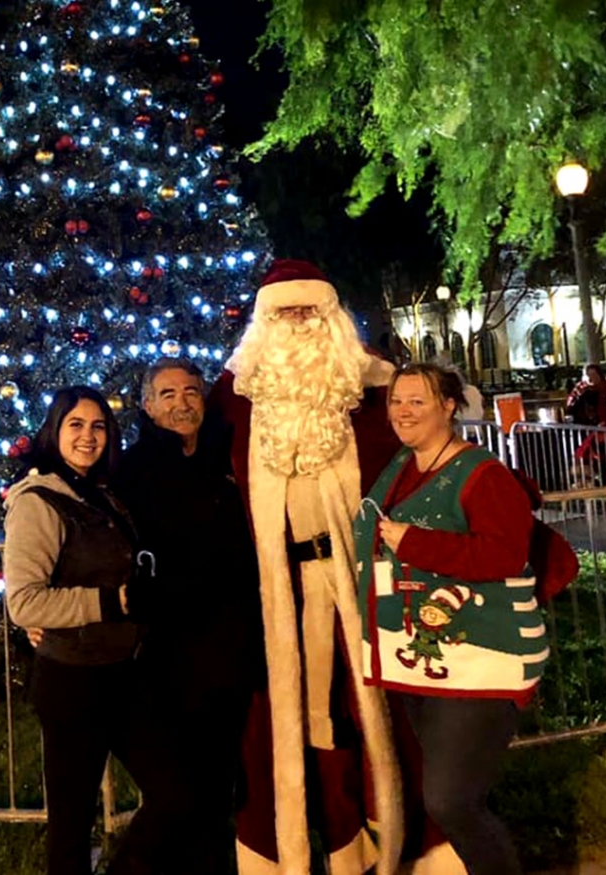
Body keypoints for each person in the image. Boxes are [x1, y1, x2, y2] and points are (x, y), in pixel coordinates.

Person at [211, 259, 459, 875]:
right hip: (278, 591)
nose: (297, 322)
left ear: (331, 314)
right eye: (284, 312)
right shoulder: (234, 394)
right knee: (288, 722)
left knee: (381, 712)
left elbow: (433, 457)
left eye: (307, 309)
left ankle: (410, 844)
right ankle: (306, 847)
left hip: (367, 583)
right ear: (264, 321)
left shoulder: (372, 385)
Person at [354, 363, 549, 875]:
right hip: (425, 658)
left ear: (449, 406)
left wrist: (412, 542)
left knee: (451, 800)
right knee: (457, 794)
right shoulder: (401, 465)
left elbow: (506, 555)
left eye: (418, 401)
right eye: (397, 401)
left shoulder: (483, 474)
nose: (403, 411)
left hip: (481, 659)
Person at [3, 386, 185, 875]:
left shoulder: (100, 494)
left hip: (122, 674)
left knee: (174, 792)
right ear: (54, 431)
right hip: (72, 682)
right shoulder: (38, 502)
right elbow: (24, 601)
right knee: (72, 820)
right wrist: (114, 602)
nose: (88, 436)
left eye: (98, 426)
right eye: (76, 425)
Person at [110, 358, 262, 875]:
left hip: (233, 652)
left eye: (191, 391)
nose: (182, 403)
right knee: (179, 793)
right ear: (148, 406)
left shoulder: (231, 456)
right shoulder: (131, 472)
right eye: (168, 394)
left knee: (220, 789)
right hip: (169, 657)